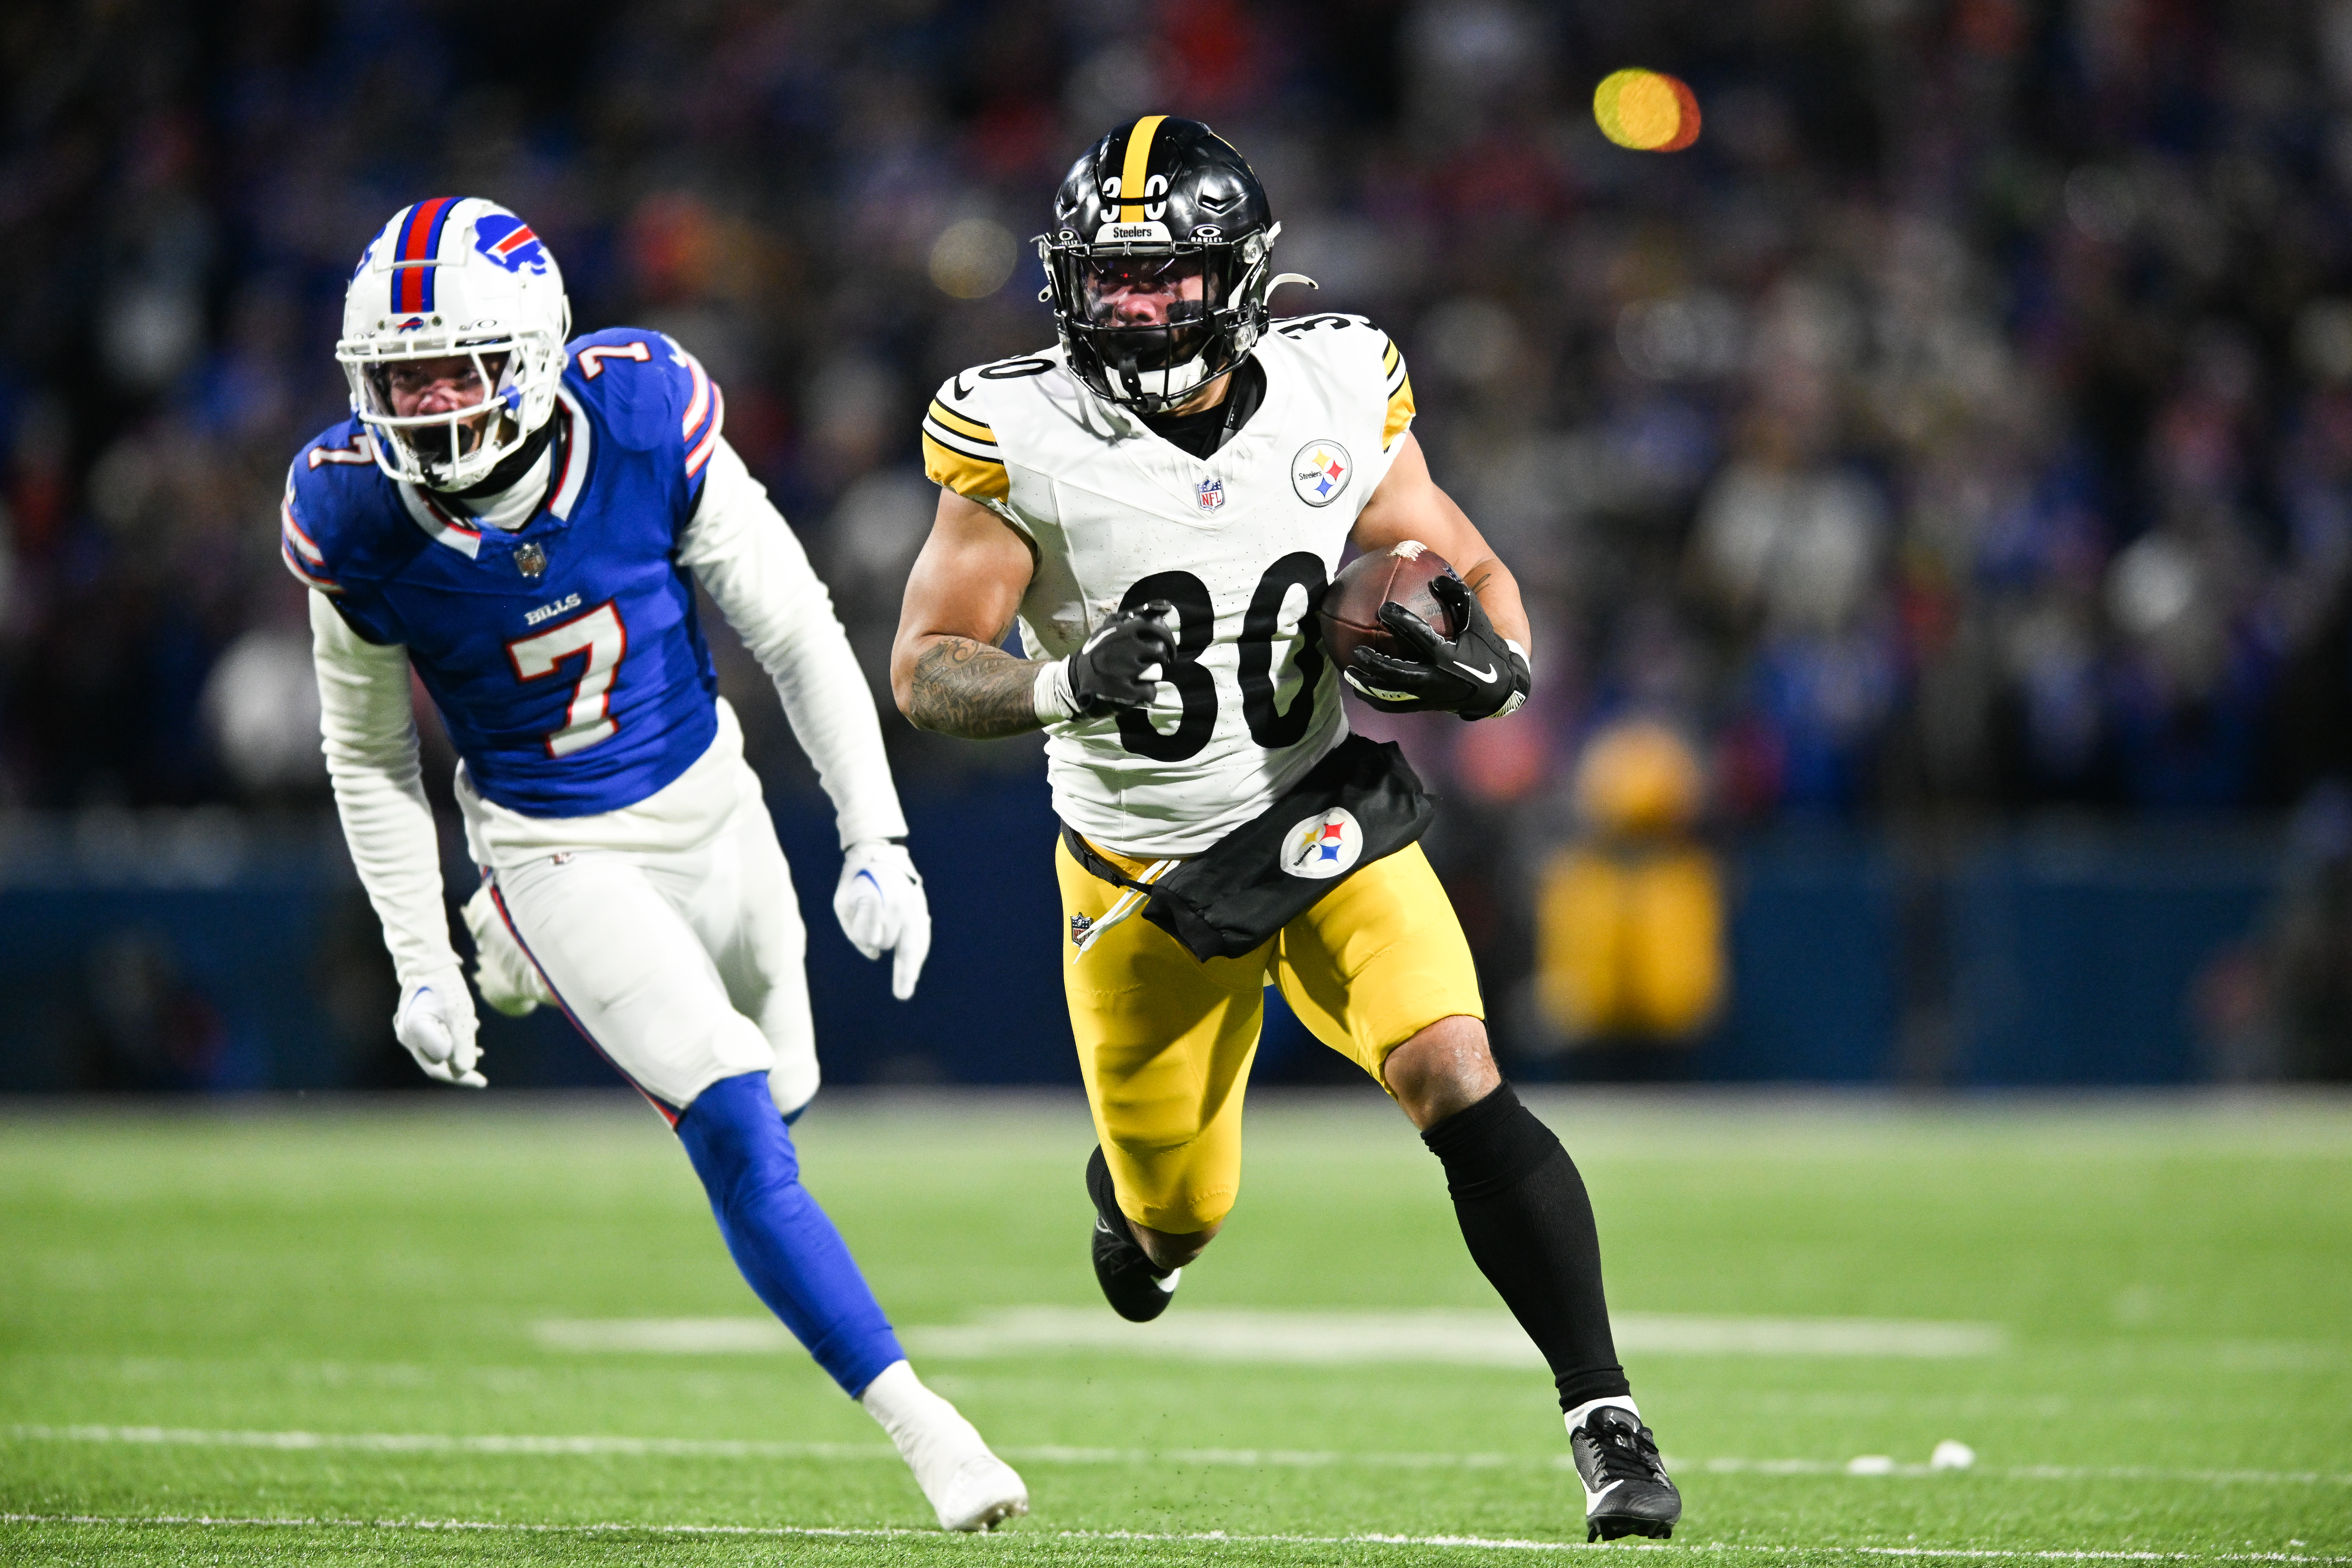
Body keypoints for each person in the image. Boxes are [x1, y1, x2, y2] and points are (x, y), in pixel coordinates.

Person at [888, 117, 1682, 1543]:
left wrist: (1497, 663)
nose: (1133, 310)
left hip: (1320, 820)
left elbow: (1465, 557)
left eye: (1165, 278)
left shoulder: (1338, 381)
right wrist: (1065, 681)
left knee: (1454, 1070)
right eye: (1107, 281)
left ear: (1240, 277)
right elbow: (929, 664)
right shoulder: (1018, 426)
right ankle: (1139, 1229)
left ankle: (1606, 1419)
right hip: (1141, 877)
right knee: (1175, 1219)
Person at [285, 196, 1026, 1532]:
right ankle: (934, 1434)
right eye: (400, 374)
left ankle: (527, 953)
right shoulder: (350, 510)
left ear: (534, 350)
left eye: (455, 364)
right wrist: (417, 958)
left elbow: (796, 626)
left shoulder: (641, 417)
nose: (426, 400)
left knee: (785, 1096)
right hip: (552, 840)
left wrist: (878, 838)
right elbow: (369, 754)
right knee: (739, 1127)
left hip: (715, 803)